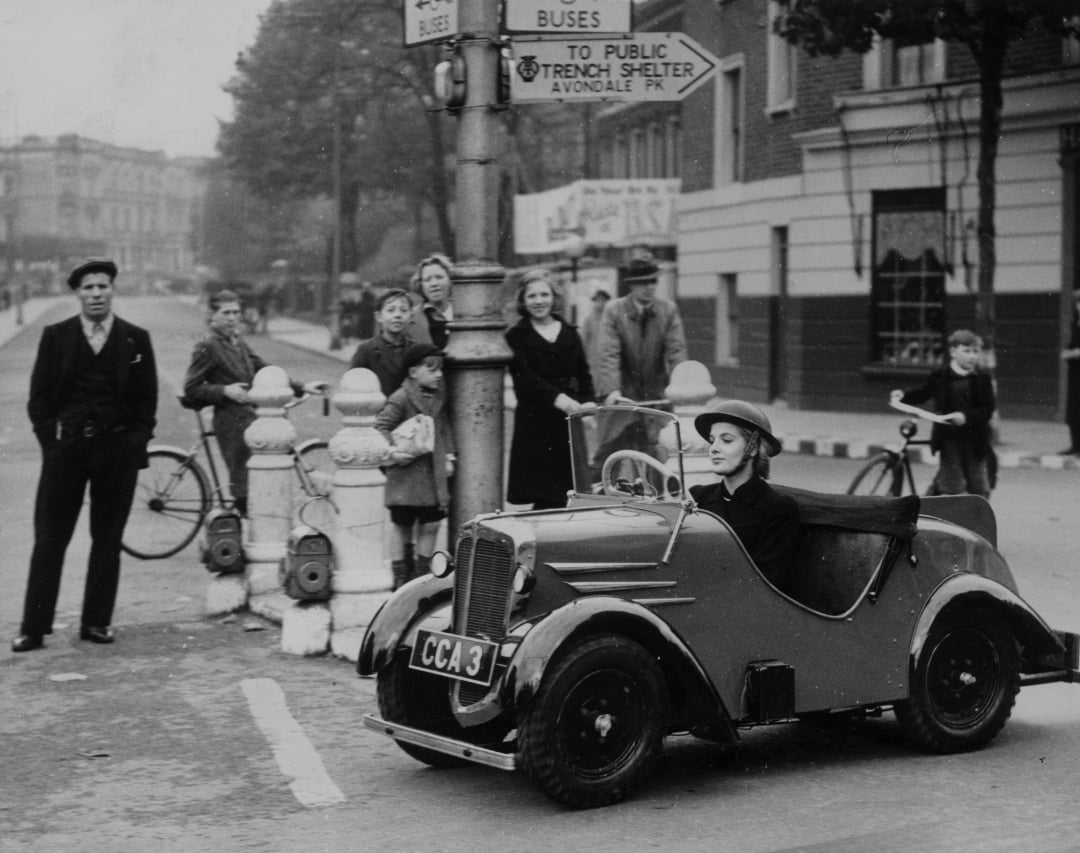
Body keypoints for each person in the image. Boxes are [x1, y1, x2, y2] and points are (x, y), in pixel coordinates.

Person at [13, 258, 158, 652]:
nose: (96, 294)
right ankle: (34, 627)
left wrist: (134, 442)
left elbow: (147, 400)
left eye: (103, 286)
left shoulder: (134, 339)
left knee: (107, 539)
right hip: (67, 452)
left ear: (113, 290)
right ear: (77, 293)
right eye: (88, 288)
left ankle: (96, 622)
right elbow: (39, 399)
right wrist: (52, 444)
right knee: (49, 539)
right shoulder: (56, 336)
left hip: (116, 451)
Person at [182, 289, 327, 517]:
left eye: (236, 312)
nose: (232, 318)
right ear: (212, 316)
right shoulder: (207, 346)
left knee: (261, 479)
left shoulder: (237, 342)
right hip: (232, 423)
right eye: (226, 312)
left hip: (251, 419)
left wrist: (302, 386)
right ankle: (249, 528)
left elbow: (265, 369)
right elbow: (191, 388)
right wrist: (224, 390)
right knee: (247, 488)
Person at [506, 269, 596, 509]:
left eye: (544, 294)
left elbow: (584, 374)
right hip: (535, 421)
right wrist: (558, 399)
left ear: (554, 297)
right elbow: (524, 378)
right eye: (532, 296)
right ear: (523, 301)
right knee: (543, 493)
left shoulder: (570, 333)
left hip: (568, 421)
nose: (539, 301)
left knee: (568, 492)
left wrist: (588, 403)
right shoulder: (516, 335)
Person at [689, 400, 800, 593]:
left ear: (753, 448)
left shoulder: (778, 508)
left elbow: (769, 582)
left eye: (727, 440)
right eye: (712, 439)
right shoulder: (698, 497)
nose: (714, 448)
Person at [376, 344, 456, 590]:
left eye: (440, 370)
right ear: (413, 372)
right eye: (431, 370)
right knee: (403, 525)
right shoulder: (400, 398)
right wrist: (393, 452)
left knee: (431, 524)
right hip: (406, 475)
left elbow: (444, 428)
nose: (438, 375)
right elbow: (381, 429)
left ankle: (421, 575)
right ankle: (400, 573)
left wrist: (450, 455)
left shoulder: (439, 398)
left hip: (433, 475)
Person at [890, 328, 996, 499]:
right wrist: (903, 395)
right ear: (953, 351)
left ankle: (978, 518)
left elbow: (987, 409)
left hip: (974, 439)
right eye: (966, 351)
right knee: (952, 485)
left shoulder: (982, 378)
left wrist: (966, 418)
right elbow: (924, 392)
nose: (972, 356)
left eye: (975, 352)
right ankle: (939, 509)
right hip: (949, 438)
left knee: (978, 484)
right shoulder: (940, 376)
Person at [596, 258, 687, 406]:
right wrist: (612, 389)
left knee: (666, 428)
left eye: (653, 281)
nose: (650, 287)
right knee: (621, 426)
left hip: (657, 391)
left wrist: (681, 386)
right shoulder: (614, 310)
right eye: (644, 282)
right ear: (632, 284)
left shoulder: (668, 310)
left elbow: (676, 351)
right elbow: (608, 354)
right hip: (623, 392)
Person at [348, 288, 418, 397]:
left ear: (411, 316)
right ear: (379, 317)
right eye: (391, 310)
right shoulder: (366, 350)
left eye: (403, 310)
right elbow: (352, 386)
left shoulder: (417, 350)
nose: (398, 315)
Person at [408, 254, 454, 348]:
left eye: (439, 277)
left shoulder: (464, 312)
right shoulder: (410, 318)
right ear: (421, 285)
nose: (434, 284)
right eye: (427, 280)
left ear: (450, 280)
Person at [1060, 288, 1080, 454]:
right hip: (1075, 373)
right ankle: (1075, 445)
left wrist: (1074, 353)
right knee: (1073, 408)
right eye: (1078, 303)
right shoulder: (1077, 323)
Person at [580, 288, 611, 389]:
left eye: (603, 300)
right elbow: (583, 340)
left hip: (606, 358)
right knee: (593, 382)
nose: (601, 303)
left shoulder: (610, 318)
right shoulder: (588, 319)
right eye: (598, 301)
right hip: (592, 358)